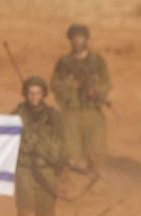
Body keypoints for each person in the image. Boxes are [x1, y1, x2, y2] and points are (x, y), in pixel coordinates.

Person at [50, 23, 111, 176]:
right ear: (70, 40)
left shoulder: (96, 60)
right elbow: (55, 84)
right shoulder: (64, 62)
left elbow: (107, 82)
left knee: (96, 149)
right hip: (72, 111)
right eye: (74, 38)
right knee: (72, 152)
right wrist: (69, 85)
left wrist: (96, 91)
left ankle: (96, 179)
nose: (77, 41)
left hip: (91, 109)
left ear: (86, 39)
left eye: (80, 37)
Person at [12, 76, 65, 216]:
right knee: (25, 209)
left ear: (43, 94)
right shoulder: (17, 115)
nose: (34, 96)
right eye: (31, 93)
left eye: (38, 93)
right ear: (25, 94)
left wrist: (60, 163)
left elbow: (63, 141)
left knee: (46, 210)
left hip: (47, 169)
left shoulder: (53, 116)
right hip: (25, 168)